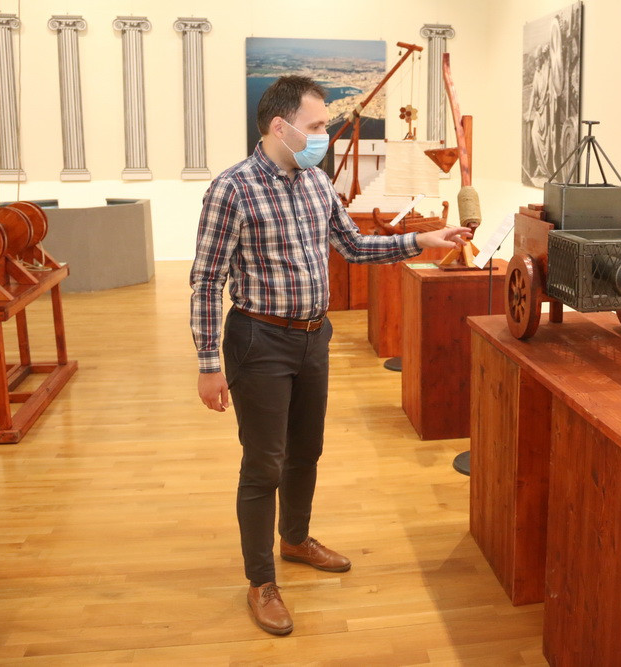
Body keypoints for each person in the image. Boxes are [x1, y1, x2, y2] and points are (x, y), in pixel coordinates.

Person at [190, 75, 472, 636]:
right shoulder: (232, 189)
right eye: (316, 125)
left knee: (306, 450)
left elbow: (353, 245)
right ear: (281, 127)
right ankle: (260, 580)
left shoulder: (317, 181)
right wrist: (207, 364)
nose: (323, 135)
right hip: (258, 340)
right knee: (263, 463)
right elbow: (206, 280)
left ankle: (295, 539)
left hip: (313, 337)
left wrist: (421, 241)